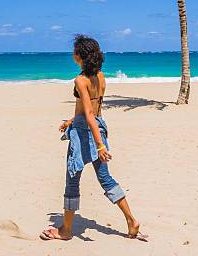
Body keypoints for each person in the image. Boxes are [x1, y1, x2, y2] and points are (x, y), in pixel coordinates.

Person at [40, 35, 147, 241]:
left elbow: (88, 114)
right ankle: (131, 220)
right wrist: (71, 121)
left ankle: (65, 230)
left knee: (72, 179)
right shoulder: (100, 76)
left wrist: (98, 146)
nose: (72, 54)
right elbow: (92, 108)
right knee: (106, 179)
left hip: (85, 133)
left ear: (80, 55)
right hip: (98, 126)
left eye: (74, 51)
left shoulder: (80, 80)